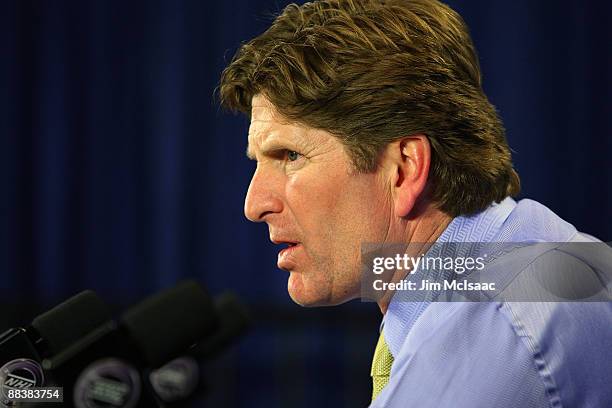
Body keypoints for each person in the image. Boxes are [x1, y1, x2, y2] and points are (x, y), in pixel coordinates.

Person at [218, 0, 612, 406]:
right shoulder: (526, 254)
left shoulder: (486, 341)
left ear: (404, 168)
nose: (254, 204)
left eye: (290, 156)